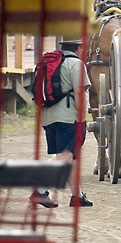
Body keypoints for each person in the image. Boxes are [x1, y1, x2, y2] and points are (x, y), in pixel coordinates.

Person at [35, 41, 91, 208]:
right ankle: (40, 190)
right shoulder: (77, 64)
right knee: (65, 156)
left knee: (69, 157)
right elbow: (80, 92)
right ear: (79, 48)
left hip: (48, 116)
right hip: (68, 117)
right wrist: (81, 117)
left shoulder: (47, 63)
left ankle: (77, 196)